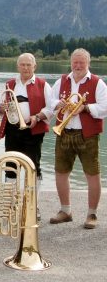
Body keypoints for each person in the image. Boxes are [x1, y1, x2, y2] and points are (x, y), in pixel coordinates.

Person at [49, 48, 107, 229]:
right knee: (61, 172)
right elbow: (50, 101)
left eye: (82, 62)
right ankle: (65, 211)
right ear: (71, 62)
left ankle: (92, 214)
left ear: (88, 63)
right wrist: (59, 104)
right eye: (75, 62)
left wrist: (85, 108)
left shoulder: (98, 83)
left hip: (87, 135)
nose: (78, 65)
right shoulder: (61, 81)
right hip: (64, 132)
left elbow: (105, 107)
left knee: (92, 174)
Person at [0, 53, 53, 220]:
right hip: (13, 130)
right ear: (18, 66)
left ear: (34, 66)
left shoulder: (43, 85)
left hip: (33, 131)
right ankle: (9, 205)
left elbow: (51, 108)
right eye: (22, 65)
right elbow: (0, 108)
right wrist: (1, 109)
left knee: (33, 167)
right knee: (10, 167)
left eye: (29, 65)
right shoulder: (9, 84)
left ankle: (33, 206)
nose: (25, 68)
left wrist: (37, 117)